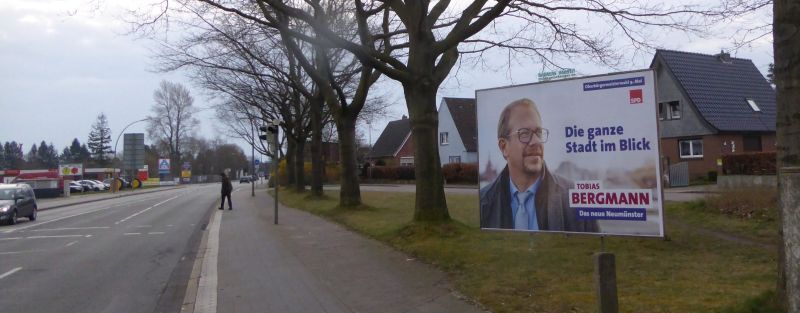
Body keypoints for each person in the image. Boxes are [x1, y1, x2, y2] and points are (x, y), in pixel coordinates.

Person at [479, 98, 598, 232]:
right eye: (524, 133)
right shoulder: (483, 203)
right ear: (504, 147)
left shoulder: (578, 200)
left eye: (539, 133)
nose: (536, 141)